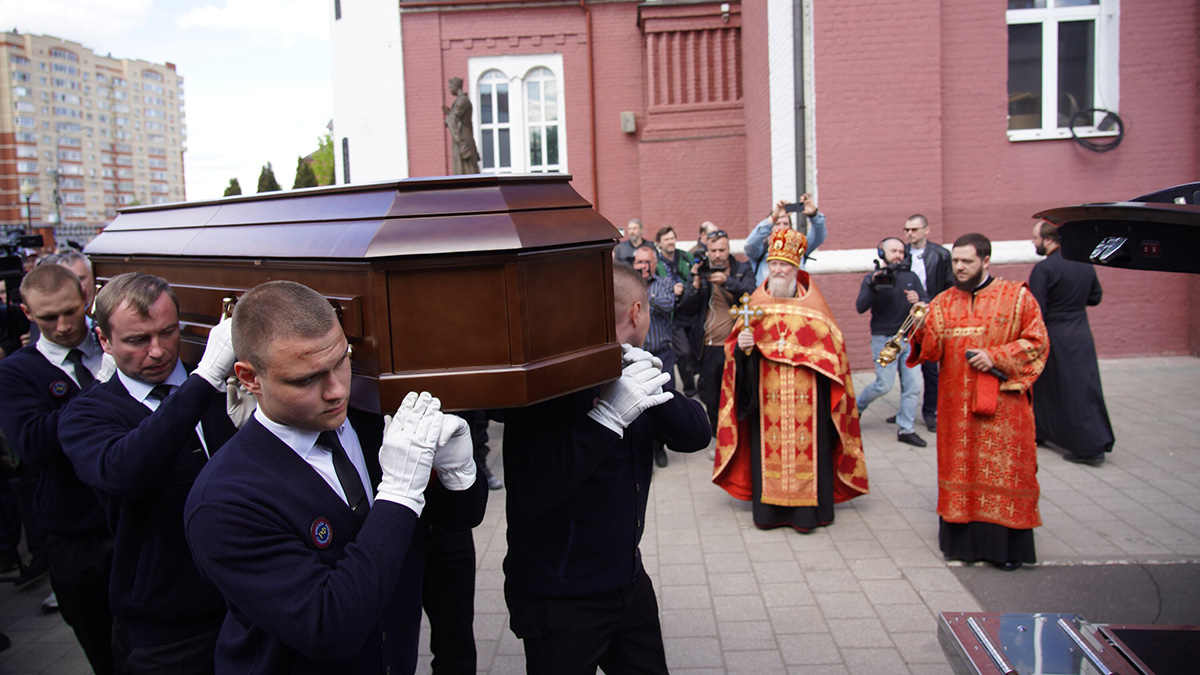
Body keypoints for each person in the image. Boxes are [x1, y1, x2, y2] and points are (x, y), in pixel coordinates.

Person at [184, 280, 486, 673]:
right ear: (250, 378)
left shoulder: (372, 422)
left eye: (342, 360)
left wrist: (457, 473)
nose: (337, 390)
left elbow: (454, 524)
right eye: (306, 379)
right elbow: (329, 629)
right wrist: (398, 494)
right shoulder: (223, 501)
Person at [501, 263, 710, 674]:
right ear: (637, 312)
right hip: (560, 596)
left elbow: (696, 435)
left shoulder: (637, 366)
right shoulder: (549, 379)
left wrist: (654, 383)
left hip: (626, 580)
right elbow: (529, 492)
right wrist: (605, 421)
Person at [59, 272, 238, 674]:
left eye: (168, 332)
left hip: (244, 600)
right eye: (137, 340)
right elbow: (127, 472)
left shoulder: (220, 391)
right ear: (105, 341)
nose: (158, 351)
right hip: (167, 626)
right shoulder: (86, 414)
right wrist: (205, 378)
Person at [907, 233, 1048, 570]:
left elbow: (1038, 342)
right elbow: (931, 351)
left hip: (1004, 410)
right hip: (956, 410)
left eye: (967, 261)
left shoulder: (1017, 297)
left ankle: (1006, 551)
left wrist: (996, 357)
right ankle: (963, 547)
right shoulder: (943, 301)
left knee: (1006, 474)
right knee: (962, 471)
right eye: (956, 261)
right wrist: (921, 327)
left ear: (986, 261)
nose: (959, 267)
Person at [0, 264, 116, 674]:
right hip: (77, 536)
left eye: (71, 311)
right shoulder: (16, 372)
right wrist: (104, 388)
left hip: (135, 522)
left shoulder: (118, 345)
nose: (64, 326)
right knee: (103, 648)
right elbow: (34, 444)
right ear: (27, 313)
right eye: (48, 317)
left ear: (86, 299)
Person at [714, 227, 869, 532]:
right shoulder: (755, 305)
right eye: (773, 264)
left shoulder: (815, 309)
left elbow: (834, 353)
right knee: (766, 451)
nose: (777, 270)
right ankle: (768, 513)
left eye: (784, 265)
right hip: (765, 400)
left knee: (813, 450)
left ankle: (809, 514)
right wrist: (743, 348)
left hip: (810, 402)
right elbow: (735, 356)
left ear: (796, 268)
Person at [1029, 220, 1114, 466]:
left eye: (1035, 238)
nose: (1034, 242)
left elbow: (1037, 308)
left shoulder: (1044, 269)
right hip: (1081, 333)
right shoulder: (1084, 263)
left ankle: (1089, 447)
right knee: (1080, 386)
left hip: (1055, 334)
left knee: (1063, 388)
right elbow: (1095, 297)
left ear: (1048, 240)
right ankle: (1043, 431)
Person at [678, 229, 756, 436]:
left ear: (728, 249)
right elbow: (686, 309)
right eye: (713, 251)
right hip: (708, 348)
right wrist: (695, 284)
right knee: (711, 397)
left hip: (734, 345)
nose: (717, 255)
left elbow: (752, 292)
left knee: (738, 393)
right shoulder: (701, 271)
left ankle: (738, 436)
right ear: (707, 251)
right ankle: (718, 437)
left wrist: (727, 281)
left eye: (722, 250)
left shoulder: (742, 269)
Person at [855, 237, 929, 447]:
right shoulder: (873, 278)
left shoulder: (911, 277)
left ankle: (906, 428)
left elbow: (927, 301)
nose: (898, 255)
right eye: (893, 251)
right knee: (884, 385)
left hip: (909, 339)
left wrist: (918, 300)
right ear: (882, 253)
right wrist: (873, 287)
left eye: (901, 252)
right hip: (885, 340)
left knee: (913, 386)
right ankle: (856, 409)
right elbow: (860, 307)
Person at [902, 215, 952, 433]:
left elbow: (949, 285)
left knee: (930, 368)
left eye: (914, 229)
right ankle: (905, 408)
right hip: (906, 316)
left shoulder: (940, 255)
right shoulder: (901, 253)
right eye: (907, 230)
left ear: (926, 230)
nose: (910, 234)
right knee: (905, 365)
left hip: (931, 314)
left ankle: (931, 411)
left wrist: (936, 307)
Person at [633, 245, 680, 468]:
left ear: (654, 264)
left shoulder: (664, 283)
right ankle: (645, 450)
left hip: (662, 354)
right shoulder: (628, 285)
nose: (642, 266)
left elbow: (667, 304)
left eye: (647, 262)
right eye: (639, 262)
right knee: (639, 403)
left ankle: (659, 445)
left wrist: (644, 294)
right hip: (637, 357)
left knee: (664, 401)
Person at [744, 194, 827, 285]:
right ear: (771, 227)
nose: (782, 227)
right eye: (777, 224)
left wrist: (814, 215)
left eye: (785, 224)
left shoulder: (799, 247)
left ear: (790, 227)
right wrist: (773, 217)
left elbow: (818, 236)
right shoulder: (760, 251)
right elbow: (750, 245)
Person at [654, 226, 696, 397]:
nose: (670, 242)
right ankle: (690, 390)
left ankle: (698, 383)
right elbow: (654, 284)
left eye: (672, 238)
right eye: (666, 239)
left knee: (695, 350)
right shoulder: (656, 262)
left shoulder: (685, 257)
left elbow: (694, 277)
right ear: (659, 243)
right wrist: (671, 289)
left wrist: (686, 287)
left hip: (691, 310)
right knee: (683, 352)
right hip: (672, 315)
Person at [443, 77, 481, 175]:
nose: (450, 89)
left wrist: (449, 118)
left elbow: (453, 120)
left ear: (456, 87)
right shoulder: (461, 101)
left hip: (462, 138)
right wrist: (450, 113)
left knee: (466, 169)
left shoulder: (462, 101)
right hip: (463, 136)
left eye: (451, 87)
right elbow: (456, 117)